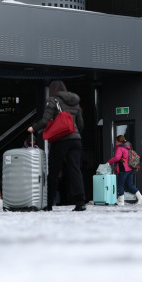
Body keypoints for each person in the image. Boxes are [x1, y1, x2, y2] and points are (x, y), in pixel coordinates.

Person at [28, 80, 86, 211]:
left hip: (61, 141)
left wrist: (33, 128)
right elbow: (81, 124)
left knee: (53, 172)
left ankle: (49, 204)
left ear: (53, 90)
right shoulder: (75, 101)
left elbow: (45, 120)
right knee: (75, 170)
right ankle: (80, 202)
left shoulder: (53, 101)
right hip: (76, 140)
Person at [107, 135, 142, 206]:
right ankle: (140, 197)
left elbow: (117, 158)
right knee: (130, 184)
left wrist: (109, 162)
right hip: (130, 168)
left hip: (123, 169)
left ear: (118, 141)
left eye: (116, 141)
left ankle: (121, 202)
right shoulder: (128, 147)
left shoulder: (120, 148)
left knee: (120, 185)